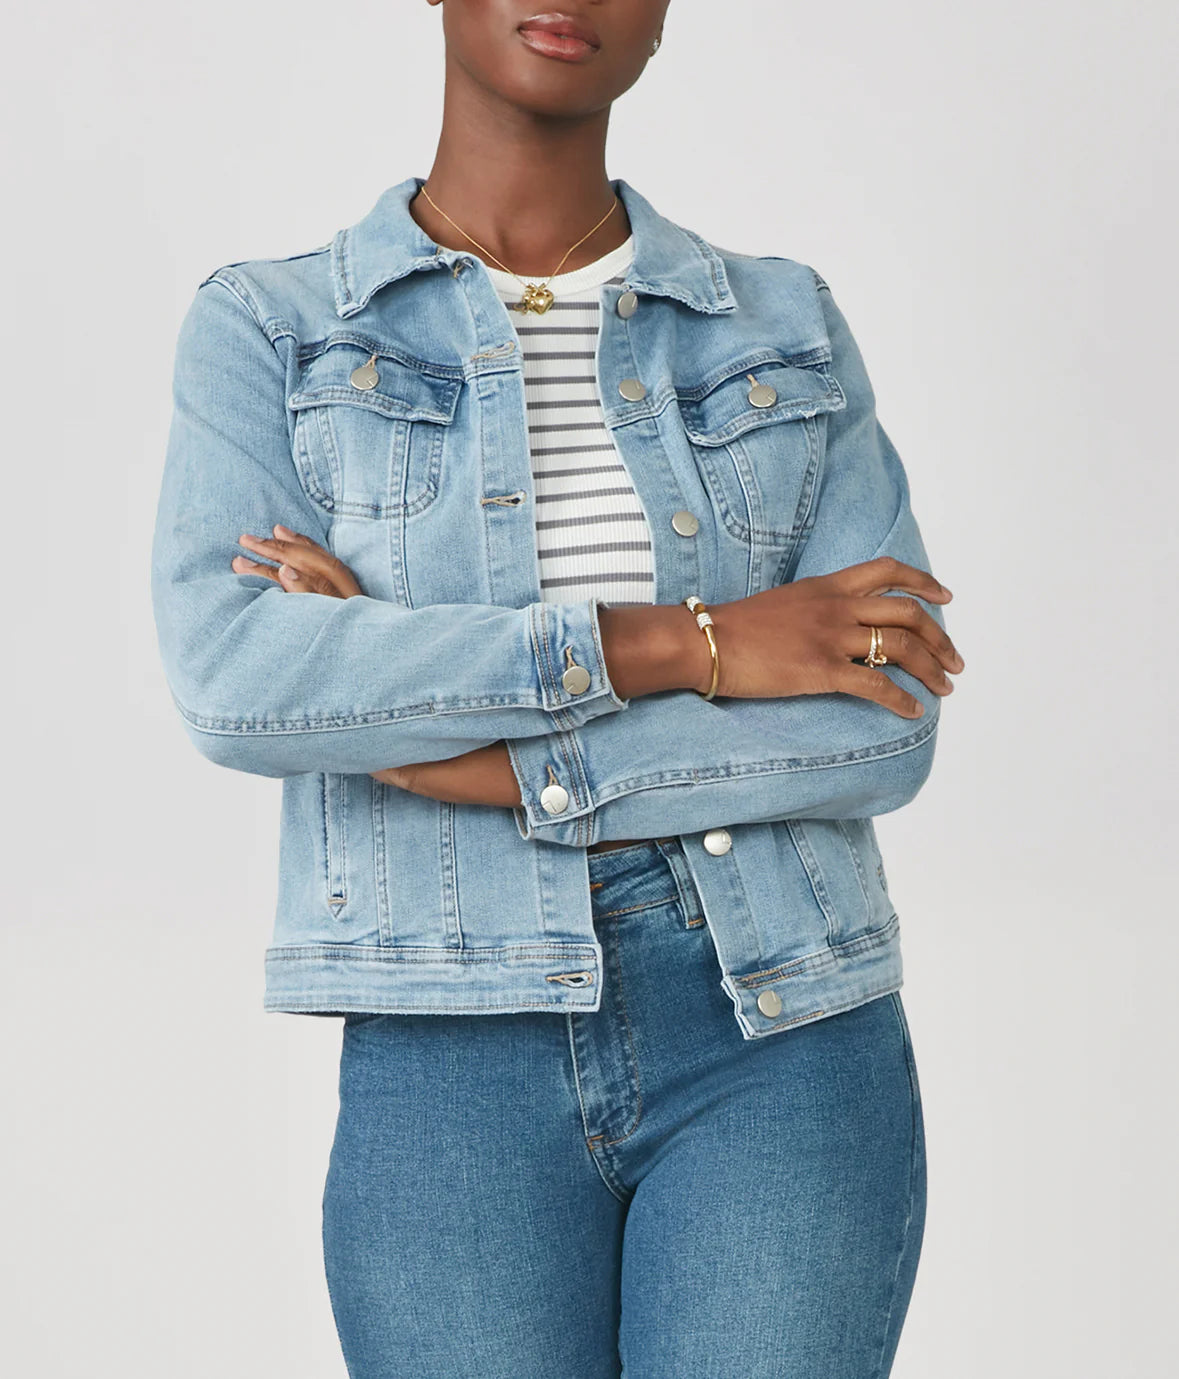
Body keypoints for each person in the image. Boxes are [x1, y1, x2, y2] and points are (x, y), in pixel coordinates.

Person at [152, 3, 966, 1375]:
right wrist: (693, 644)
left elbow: (882, 723)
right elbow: (240, 680)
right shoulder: (276, 330)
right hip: (450, 1041)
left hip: (778, 1023)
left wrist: (461, 750)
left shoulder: (782, 326)